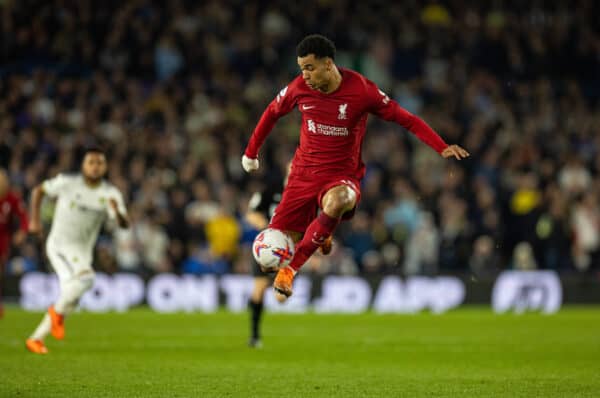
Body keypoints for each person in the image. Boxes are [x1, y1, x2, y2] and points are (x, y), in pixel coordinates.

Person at [241, 34, 469, 301]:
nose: (305, 75)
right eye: (302, 69)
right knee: (268, 261)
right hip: (302, 176)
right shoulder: (299, 88)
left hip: (341, 177)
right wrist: (250, 153)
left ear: (328, 64)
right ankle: (320, 230)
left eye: (310, 68)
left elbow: (404, 118)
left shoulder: (361, 90)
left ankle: (291, 270)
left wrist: (440, 146)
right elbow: (271, 112)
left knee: (340, 200)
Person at [25, 148, 130, 354]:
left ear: (105, 167)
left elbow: (124, 225)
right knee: (86, 280)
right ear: (83, 165)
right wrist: (35, 221)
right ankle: (56, 314)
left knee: (72, 294)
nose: (95, 166)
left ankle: (36, 338)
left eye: (99, 163)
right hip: (58, 245)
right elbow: (38, 191)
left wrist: (117, 212)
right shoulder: (67, 183)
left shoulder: (110, 193)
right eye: (91, 162)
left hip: (82, 252)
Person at [245, 163, 331, 347]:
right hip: (268, 247)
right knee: (259, 289)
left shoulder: (309, 192)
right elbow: (251, 213)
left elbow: (315, 223)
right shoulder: (271, 191)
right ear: (288, 169)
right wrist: (266, 228)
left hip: (289, 251)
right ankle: (254, 336)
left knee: (280, 298)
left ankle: (256, 300)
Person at [0, 169, 29, 318]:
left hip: (3, 238)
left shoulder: (12, 198)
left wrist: (22, 232)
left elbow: (24, 216)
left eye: (4, 181)